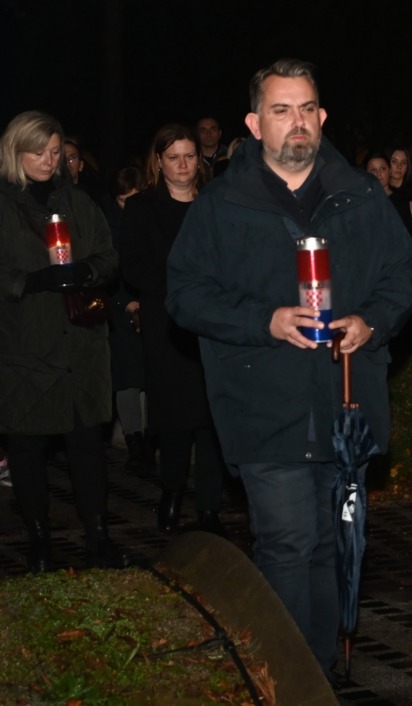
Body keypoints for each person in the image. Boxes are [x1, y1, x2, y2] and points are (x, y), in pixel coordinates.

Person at [166, 58, 412, 675]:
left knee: (334, 543)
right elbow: (185, 295)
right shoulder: (221, 205)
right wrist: (266, 320)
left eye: (307, 108)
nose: (297, 122)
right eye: (281, 110)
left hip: (344, 400)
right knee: (287, 542)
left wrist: (371, 321)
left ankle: (325, 670)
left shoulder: (361, 195)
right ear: (255, 124)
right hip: (265, 402)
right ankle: (291, 677)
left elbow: (407, 273)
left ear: (323, 116)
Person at [0, 110, 127, 571]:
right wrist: (32, 281)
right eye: (38, 152)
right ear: (15, 152)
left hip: (80, 345)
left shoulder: (77, 201)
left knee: (87, 445)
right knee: (28, 448)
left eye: (55, 152)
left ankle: (98, 536)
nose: (49, 161)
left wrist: (86, 271)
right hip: (26, 346)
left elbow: (109, 256)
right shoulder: (5, 205)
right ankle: (39, 540)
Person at [121, 124, 226, 535]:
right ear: (158, 162)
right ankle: (172, 492)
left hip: (213, 323)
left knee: (212, 416)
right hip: (167, 325)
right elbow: (134, 266)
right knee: (175, 415)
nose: (183, 165)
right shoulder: (142, 207)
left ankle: (209, 507)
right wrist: (184, 284)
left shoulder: (215, 202)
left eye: (189, 156)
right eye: (173, 157)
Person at [104, 165, 153, 475]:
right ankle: (134, 442)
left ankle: (147, 442)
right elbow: (106, 270)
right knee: (127, 379)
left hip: (151, 306)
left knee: (148, 378)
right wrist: (124, 303)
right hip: (121, 310)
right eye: (123, 200)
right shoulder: (109, 225)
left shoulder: (150, 220)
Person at [365, 151, 412, 358]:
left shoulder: (405, 200)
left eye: (382, 169)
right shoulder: (361, 204)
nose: (378, 174)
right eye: (373, 170)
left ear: (389, 172)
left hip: (401, 271)